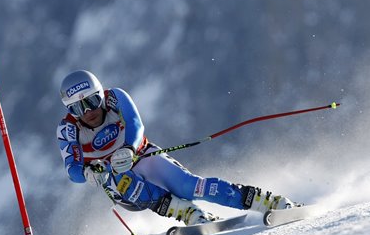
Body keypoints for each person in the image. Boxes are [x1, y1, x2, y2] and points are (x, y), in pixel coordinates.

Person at [56, 70, 299, 226]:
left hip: (142, 156)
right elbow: (72, 170)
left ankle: (264, 200)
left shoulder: (115, 98)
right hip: (122, 186)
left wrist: (129, 149)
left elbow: (135, 123)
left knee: (191, 186)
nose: (88, 112)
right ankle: (187, 213)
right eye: (77, 108)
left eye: (91, 101)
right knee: (121, 178)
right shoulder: (68, 129)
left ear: (100, 94)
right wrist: (88, 172)